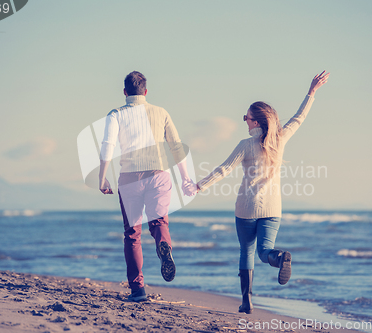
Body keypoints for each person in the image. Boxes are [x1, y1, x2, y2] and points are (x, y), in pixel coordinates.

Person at [193, 71, 329, 314]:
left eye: (246, 117)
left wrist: (200, 185)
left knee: (247, 252)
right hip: (273, 209)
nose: (244, 120)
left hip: (246, 208)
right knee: (265, 250)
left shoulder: (245, 145)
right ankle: (279, 257)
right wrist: (312, 92)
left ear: (255, 122)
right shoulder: (279, 139)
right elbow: (299, 118)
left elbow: (224, 169)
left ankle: (247, 301)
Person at [98, 71, 196, 302]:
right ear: (146, 91)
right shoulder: (161, 112)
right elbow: (176, 146)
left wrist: (102, 178)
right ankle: (164, 245)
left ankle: (138, 290)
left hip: (130, 179)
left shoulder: (116, 115)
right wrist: (185, 178)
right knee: (159, 222)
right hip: (158, 174)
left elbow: (107, 146)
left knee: (133, 235)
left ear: (124, 92)